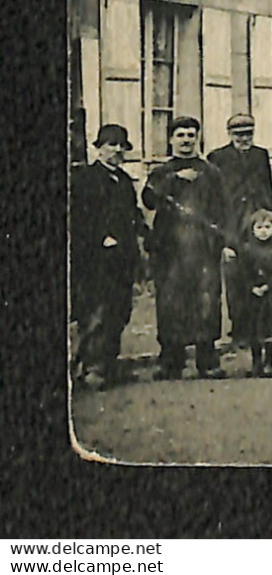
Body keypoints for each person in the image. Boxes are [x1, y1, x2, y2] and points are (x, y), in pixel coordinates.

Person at [142, 115, 232, 380]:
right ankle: (171, 360)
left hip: (203, 248)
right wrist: (175, 179)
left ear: (198, 138)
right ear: (170, 139)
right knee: (170, 302)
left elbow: (223, 208)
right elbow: (149, 200)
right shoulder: (161, 172)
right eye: (180, 135)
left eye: (191, 135)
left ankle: (207, 360)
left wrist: (222, 241)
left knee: (206, 300)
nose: (186, 140)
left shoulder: (211, 172)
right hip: (170, 249)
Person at [70, 123, 142, 389]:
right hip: (95, 258)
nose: (116, 150)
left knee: (119, 311)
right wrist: (100, 237)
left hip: (122, 257)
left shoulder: (124, 181)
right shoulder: (84, 178)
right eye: (110, 144)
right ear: (98, 148)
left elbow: (132, 213)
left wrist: (143, 232)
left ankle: (110, 366)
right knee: (96, 312)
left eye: (121, 145)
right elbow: (78, 217)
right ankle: (91, 368)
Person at [206, 113, 272, 349]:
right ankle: (239, 328)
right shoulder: (217, 157)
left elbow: (268, 188)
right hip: (232, 221)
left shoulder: (261, 155)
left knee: (262, 271)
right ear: (229, 134)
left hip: (258, 220)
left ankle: (261, 328)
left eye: (248, 134)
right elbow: (213, 195)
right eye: (238, 134)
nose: (243, 139)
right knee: (235, 275)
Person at [233, 209, 272, 378]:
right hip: (252, 296)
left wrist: (268, 286)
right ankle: (256, 362)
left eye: (267, 227)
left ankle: (269, 362)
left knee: (271, 329)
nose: (263, 231)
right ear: (252, 229)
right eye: (259, 227)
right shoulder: (246, 249)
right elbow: (242, 272)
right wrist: (252, 286)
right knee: (254, 329)